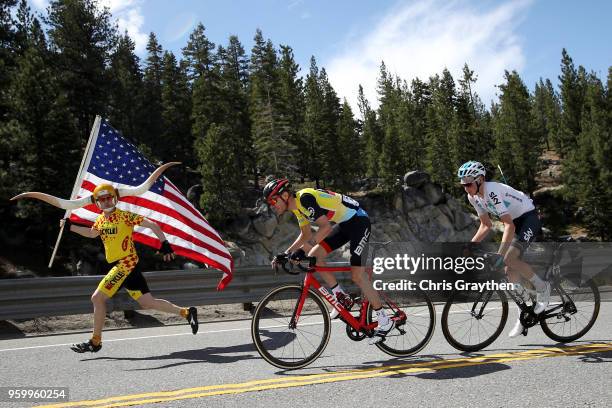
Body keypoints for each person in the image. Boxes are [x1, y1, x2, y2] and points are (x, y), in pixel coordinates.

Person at [63, 183, 199, 353]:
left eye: (109, 198)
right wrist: (70, 226)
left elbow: (152, 224)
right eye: (102, 199)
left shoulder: (124, 216)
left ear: (115, 199)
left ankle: (95, 342)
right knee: (147, 303)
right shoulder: (100, 220)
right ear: (97, 203)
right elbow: (92, 233)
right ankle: (187, 312)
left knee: (97, 299)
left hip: (125, 264)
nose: (106, 202)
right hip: (123, 266)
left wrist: (164, 243)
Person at [263, 179, 393, 344]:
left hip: (359, 221)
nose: (273, 205)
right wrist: (286, 253)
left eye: (274, 200)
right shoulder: (297, 208)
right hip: (345, 224)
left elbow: (325, 228)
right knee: (315, 256)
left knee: (358, 276)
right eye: (270, 202)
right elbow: (306, 235)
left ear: (285, 195)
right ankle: (341, 296)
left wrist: (301, 251)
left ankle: (384, 320)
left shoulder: (305, 198)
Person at [457, 161, 548, 337]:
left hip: (528, 218)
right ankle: (525, 312)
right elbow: (486, 225)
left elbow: (508, 225)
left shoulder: (491, 190)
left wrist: (500, 254)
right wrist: (470, 244)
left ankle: (543, 288)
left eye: (468, 183)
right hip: (514, 223)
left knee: (508, 258)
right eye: (463, 184)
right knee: (508, 271)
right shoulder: (473, 196)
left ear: (480, 179)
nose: (466, 188)